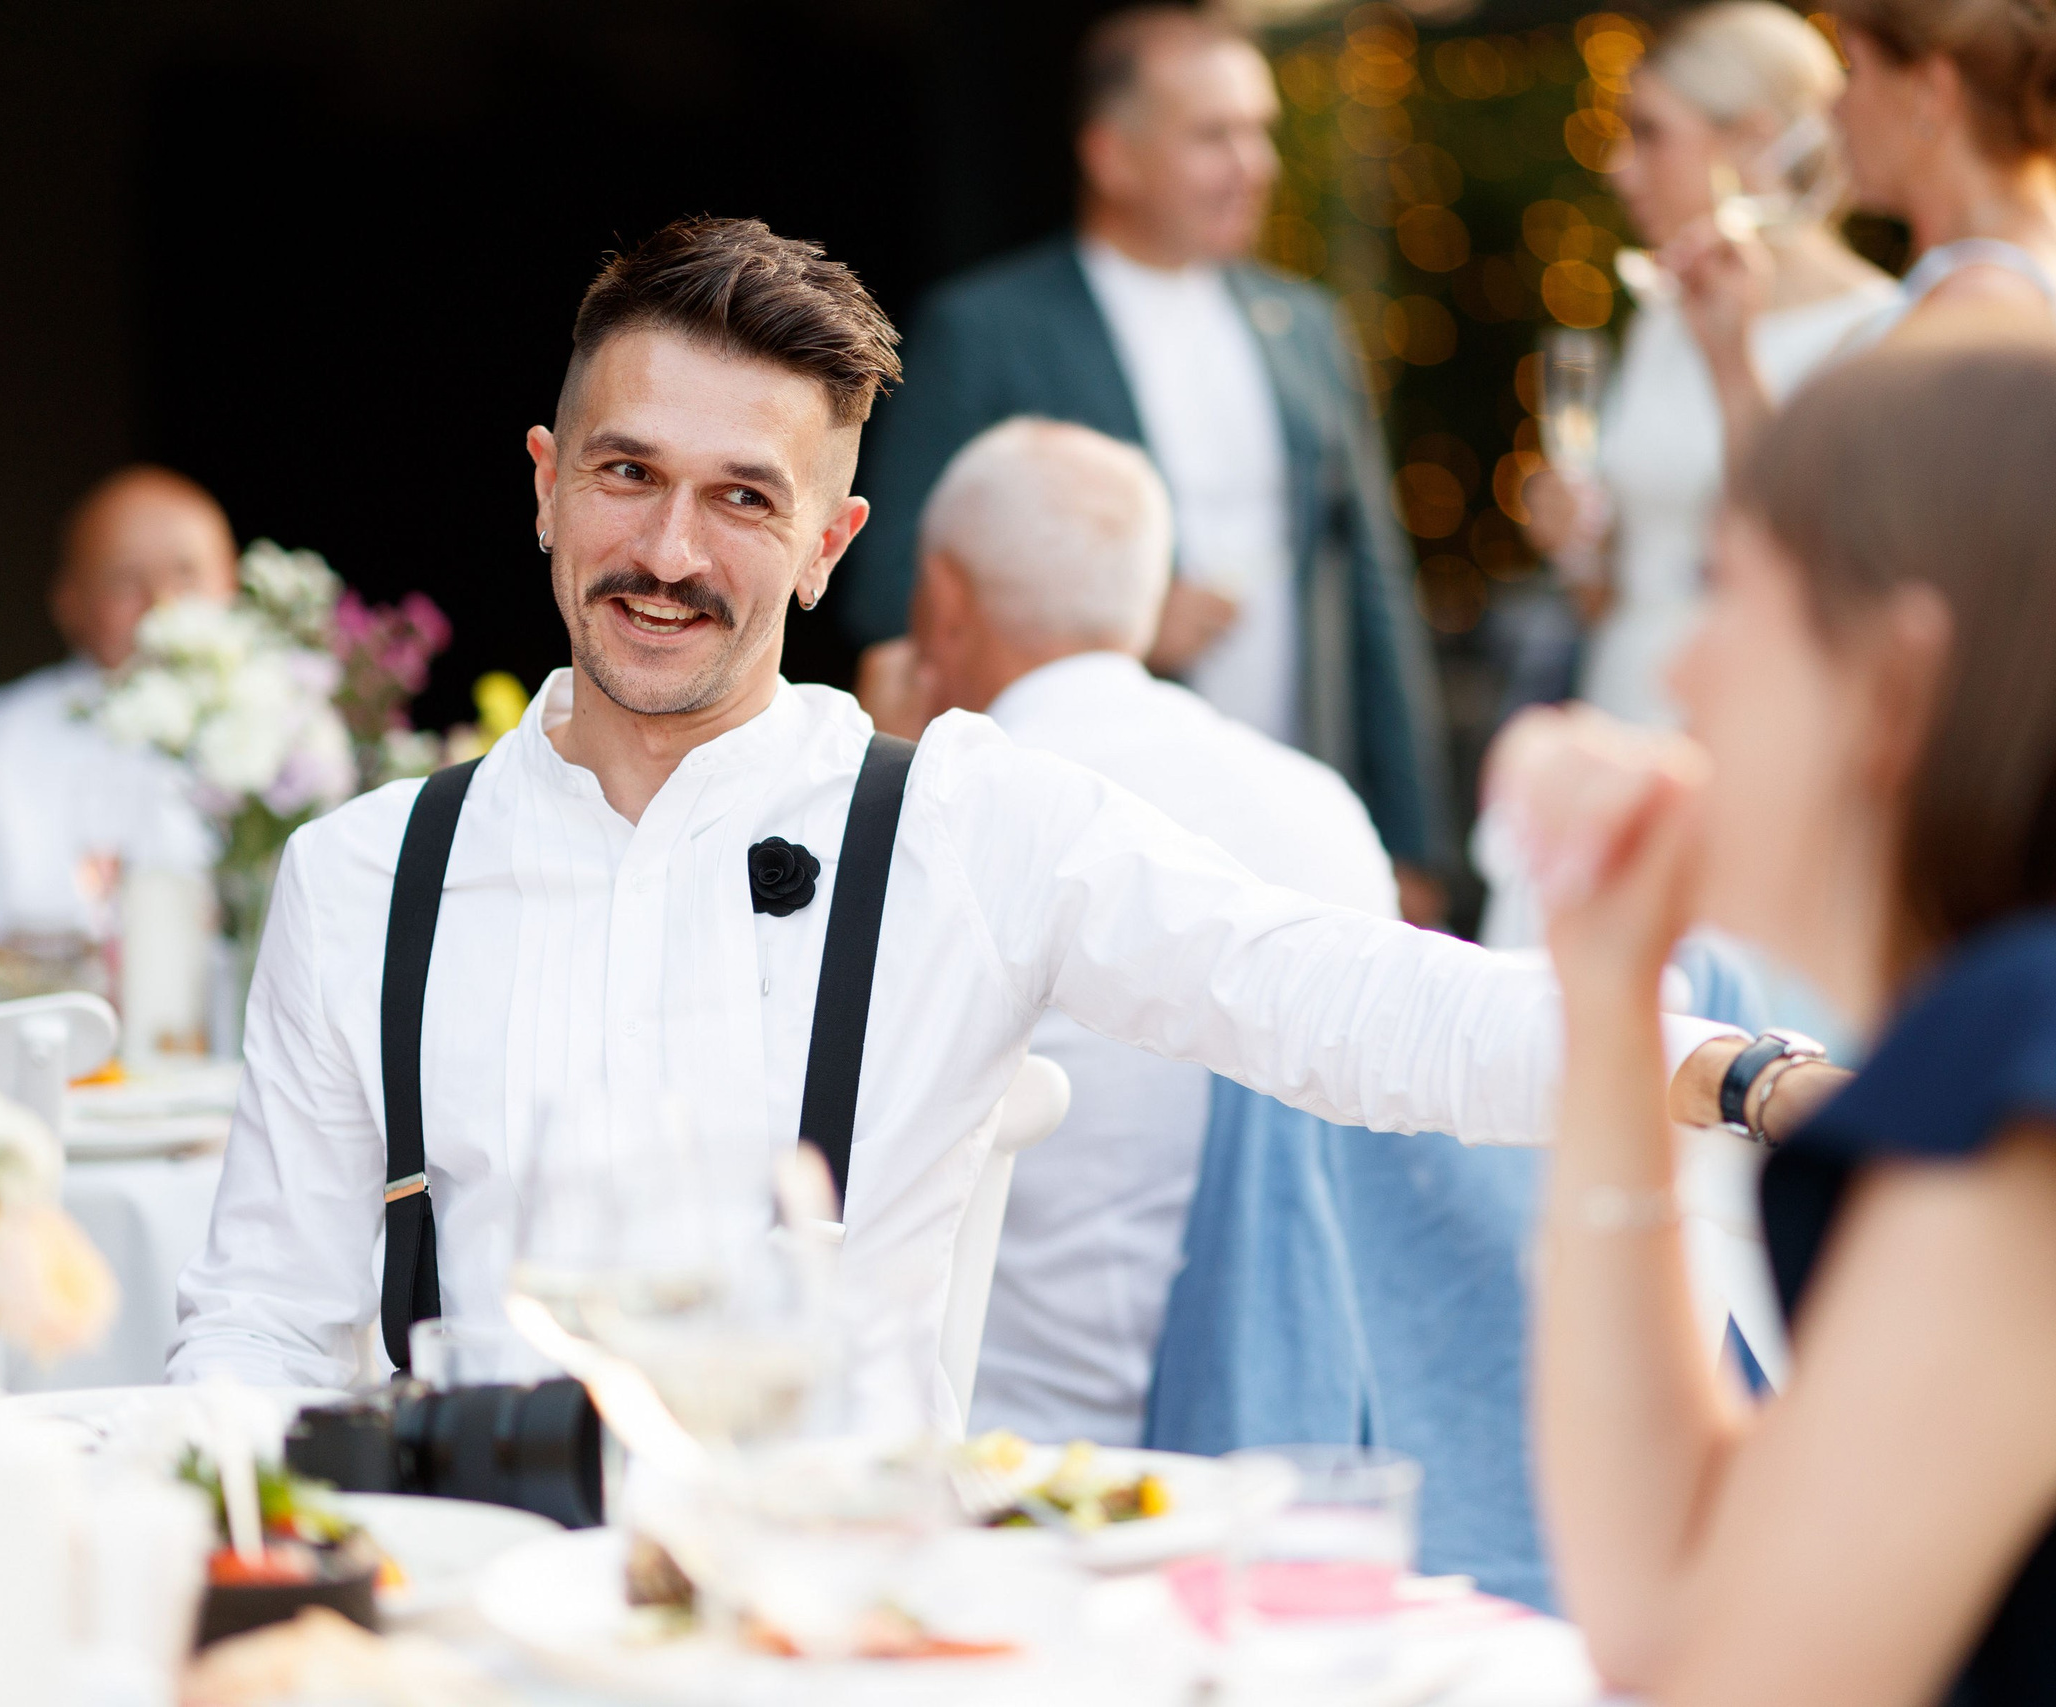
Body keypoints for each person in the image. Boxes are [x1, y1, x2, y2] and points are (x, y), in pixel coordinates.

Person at [167, 220, 1762, 1432]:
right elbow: (261, 1324)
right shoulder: (362, 872)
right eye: (626, 473)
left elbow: (1343, 993)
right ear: (543, 485)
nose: (666, 547)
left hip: (828, 1621)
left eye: (742, 498)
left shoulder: (962, 823)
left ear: (828, 543)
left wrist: (1737, 1071)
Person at [1499, 328, 2056, 1701]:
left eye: (1727, 593)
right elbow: (1660, 1613)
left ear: (1898, 680)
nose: (1679, 674)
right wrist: (1604, 990)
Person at [845, 6, 1453, 919]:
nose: (1258, 165)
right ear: (1113, 155)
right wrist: (1112, 619)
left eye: (1260, 133)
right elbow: (888, 581)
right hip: (1083, 856)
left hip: (1299, 839)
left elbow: (1371, 590)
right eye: (1216, 136)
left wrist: (1412, 846)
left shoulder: (1310, 330)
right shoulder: (988, 331)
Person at [900, 415, 1398, 1446]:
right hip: (1293, 1443)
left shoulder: (931, 820)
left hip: (1010, 1460)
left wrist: (882, 775)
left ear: (944, 600)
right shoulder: (1325, 809)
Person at [1535, 2, 1896, 731]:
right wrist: (1577, 549)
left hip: (1754, 723)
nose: (1620, 168)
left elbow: (1828, 579)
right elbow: (1610, 596)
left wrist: (1733, 364)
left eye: (1651, 135)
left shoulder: (1878, 333)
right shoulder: (1663, 319)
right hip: (1621, 704)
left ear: (1754, 142)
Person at [1674, 0, 2056, 459]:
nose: (1834, 105)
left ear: (1929, 92)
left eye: (1852, 68)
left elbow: (1818, 532)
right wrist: (1730, 359)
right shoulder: (2007, 272)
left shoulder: (1973, 315)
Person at [0, 466, 230, 961]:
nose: (161, 606)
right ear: (68, 602)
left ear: (234, 582)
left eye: (186, 573)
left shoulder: (307, 739)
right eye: (125, 580)